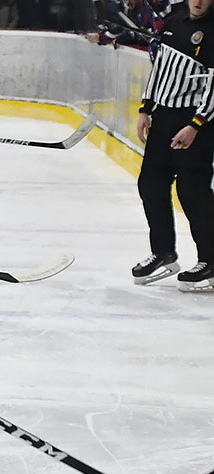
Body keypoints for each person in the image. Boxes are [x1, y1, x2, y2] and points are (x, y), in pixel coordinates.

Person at [132, 0, 214, 291]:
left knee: (192, 192)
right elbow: (160, 69)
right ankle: (163, 251)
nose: (199, 1)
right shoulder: (174, 22)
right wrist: (145, 108)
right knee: (150, 184)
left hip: (193, 122)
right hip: (163, 118)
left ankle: (210, 259)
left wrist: (196, 125)